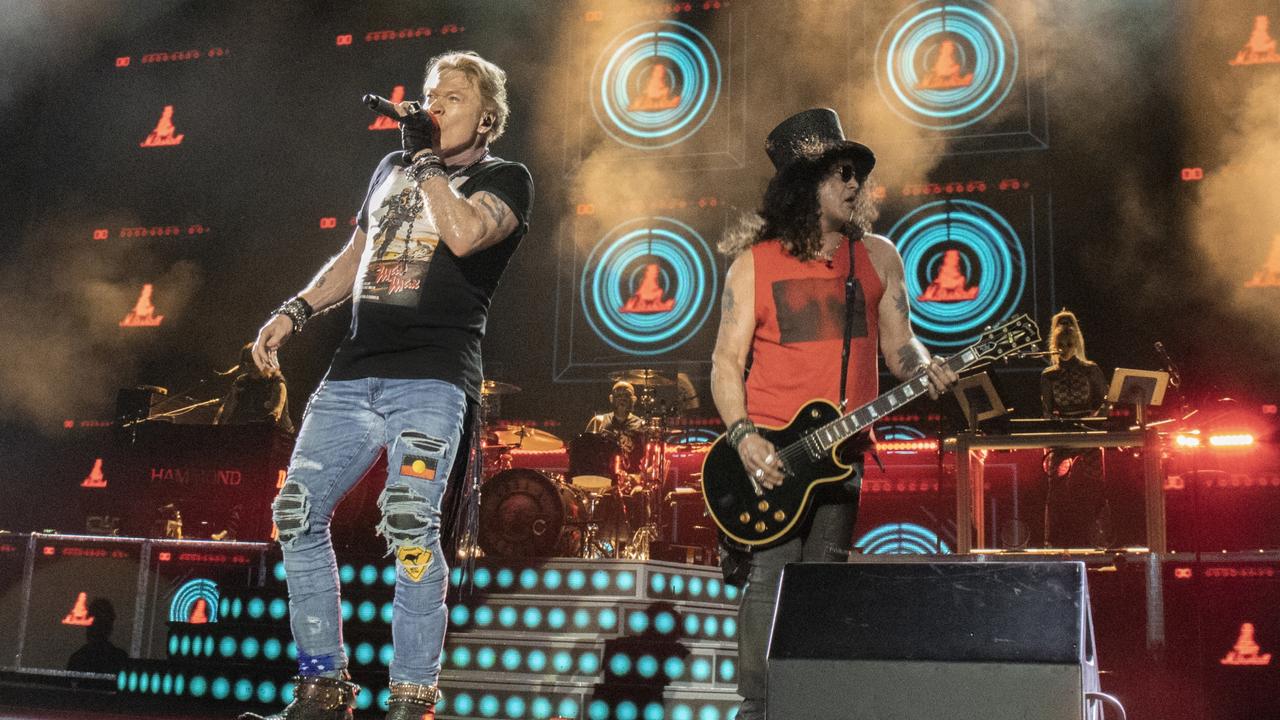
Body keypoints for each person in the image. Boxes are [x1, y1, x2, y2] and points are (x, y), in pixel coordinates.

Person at [242, 51, 533, 720]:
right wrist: (297, 309)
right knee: (294, 514)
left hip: (431, 378)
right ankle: (322, 686)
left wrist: (428, 162)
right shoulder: (389, 170)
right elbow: (358, 255)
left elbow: (462, 237)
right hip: (352, 373)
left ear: (486, 116)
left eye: (453, 98)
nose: (434, 107)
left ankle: (412, 695)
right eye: (432, 95)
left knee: (408, 522)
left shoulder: (505, 178)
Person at [710, 108, 958, 720]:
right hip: (771, 454)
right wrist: (744, 439)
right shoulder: (755, 263)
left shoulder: (878, 256)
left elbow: (903, 346)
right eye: (841, 174)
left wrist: (926, 368)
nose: (855, 186)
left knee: (822, 591)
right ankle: (758, 711)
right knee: (770, 585)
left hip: (842, 456)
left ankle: (812, 706)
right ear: (803, 184)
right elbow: (723, 363)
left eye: (858, 175)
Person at [1039, 309, 1110, 547]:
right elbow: (1047, 411)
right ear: (1055, 344)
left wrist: (1093, 420)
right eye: (1061, 344)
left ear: (1076, 343)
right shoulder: (1048, 375)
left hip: (1088, 433)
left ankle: (1102, 537)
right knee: (1055, 488)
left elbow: (1106, 401)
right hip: (1063, 435)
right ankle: (1052, 541)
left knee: (1096, 487)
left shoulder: (1091, 369)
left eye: (1069, 344)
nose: (1065, 348)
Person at [215, 342, 293, 432]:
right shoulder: (241, 382)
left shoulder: (277, 382)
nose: (251, 368)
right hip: (249, 433)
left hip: (279, 436)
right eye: (247, 364)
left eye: (255, 363)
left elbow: (276, 412)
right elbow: (227, 408)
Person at [584, 380, 645, 463]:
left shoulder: (641, 425)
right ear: (611, 399)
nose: (622, 399)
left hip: (633, 473)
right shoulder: (598, 421)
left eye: (626, 395)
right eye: (618, 395)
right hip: (604, 473)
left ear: (634, 400)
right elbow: (584, 450)